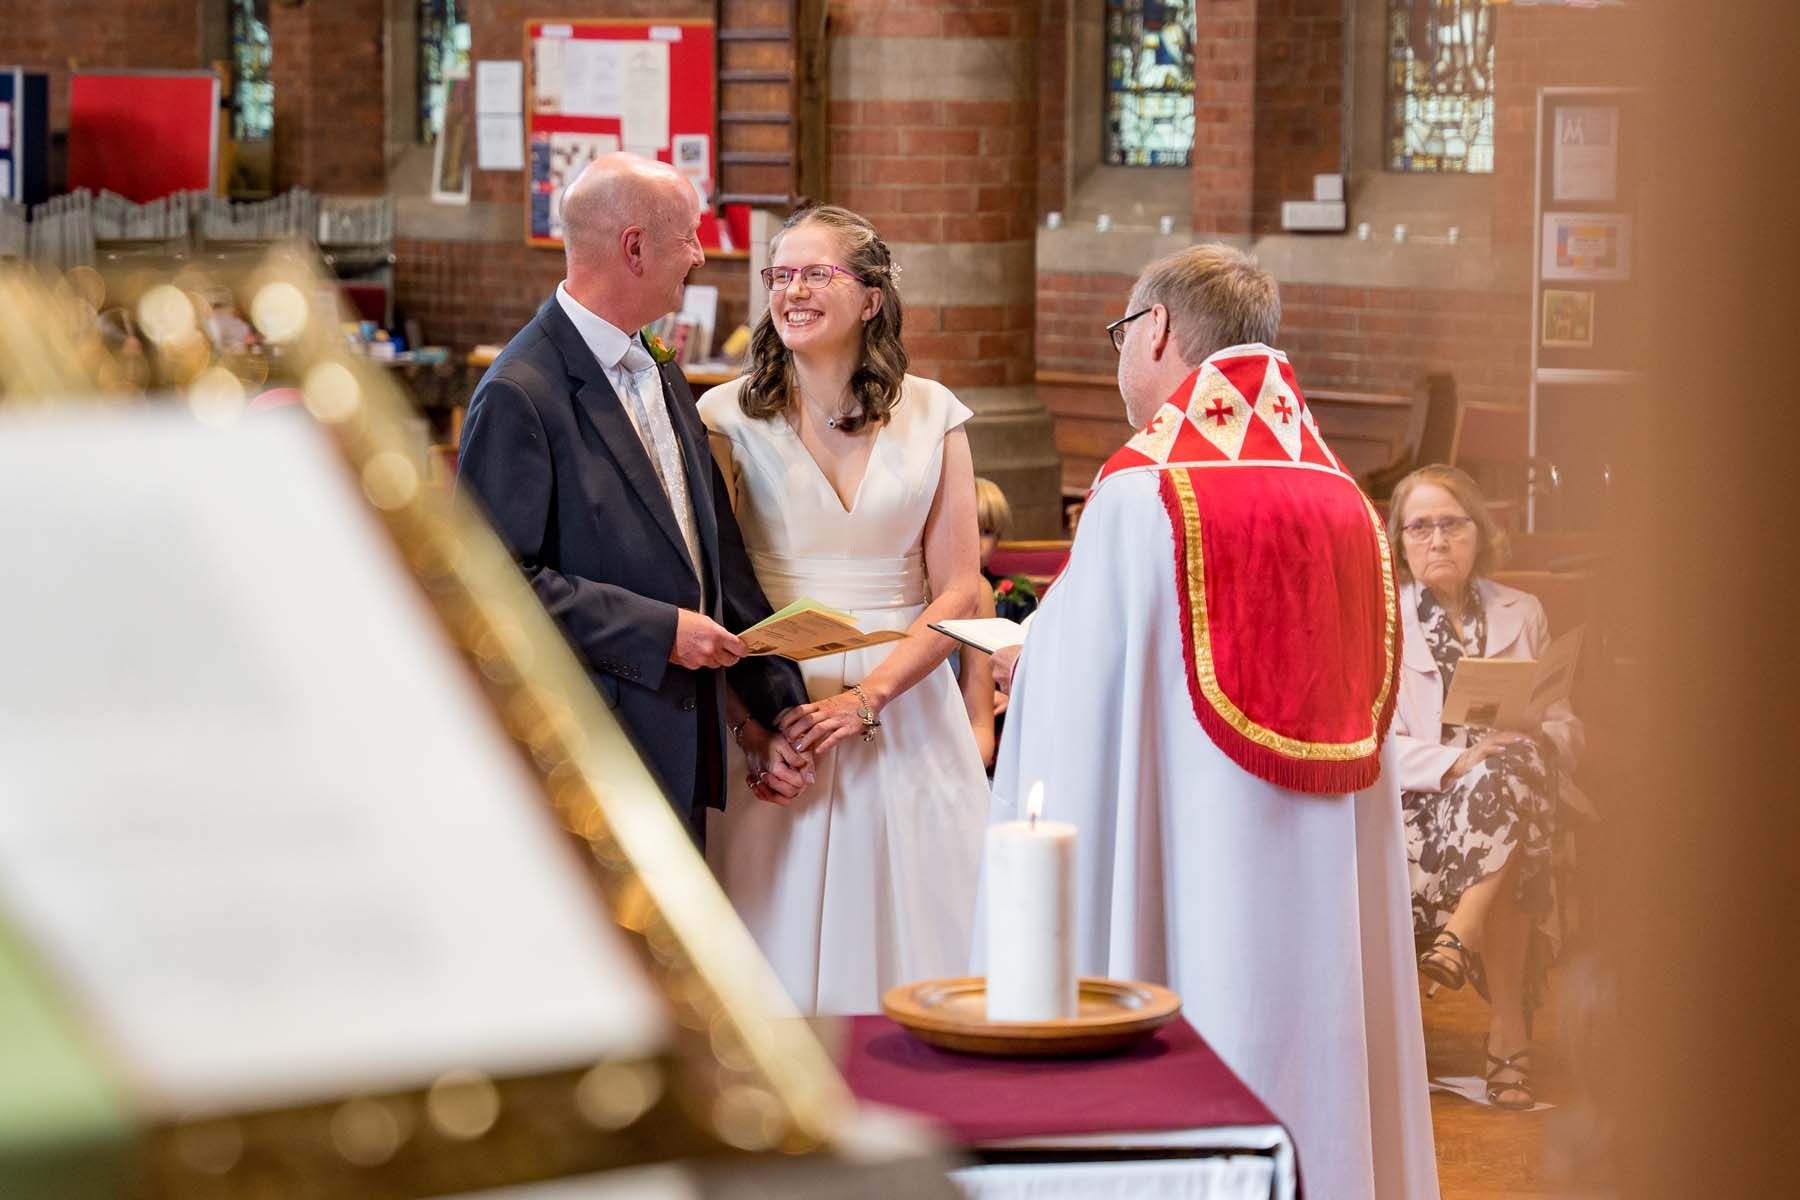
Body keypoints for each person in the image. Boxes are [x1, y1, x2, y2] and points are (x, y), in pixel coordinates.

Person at [988, 245, 1438, 1200]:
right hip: (1326, 878)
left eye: (1120, 336)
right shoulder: (1349, 502)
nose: (1119, 362)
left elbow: (1078, 712)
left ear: (1155, 330)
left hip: (1187, 861)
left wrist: (1023, 665)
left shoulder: (1145, 490)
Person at [456, 153, 811, 847]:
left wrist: (777, 707)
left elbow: (716, 558)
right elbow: (489, 590)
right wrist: (658, 632)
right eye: (688, 235)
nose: (701, 255)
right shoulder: (519, 392)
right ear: (635, 248)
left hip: (685, 744)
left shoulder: (657, 365)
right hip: (594, 749)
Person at [698, 204, 991, 1015]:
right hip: (776, 706)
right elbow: (713, 586)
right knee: (772, 936)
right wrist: (754, 728)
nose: (791, 290)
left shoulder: (935, 415)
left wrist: (872, 697)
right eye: (779, 274)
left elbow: (960, 589)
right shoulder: (724, 417)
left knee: (923, 929)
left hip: (905, 703)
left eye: (814, 272)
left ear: (870, 298)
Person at [1390, 464, 1585, 1111]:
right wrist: (1459, 760)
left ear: (1479, 532)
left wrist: (1539, 734)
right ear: (1400, 539)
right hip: (1420, 810)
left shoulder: (1521, 610)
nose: (1437, 540)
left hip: (1510, 793)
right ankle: (1508, 1041)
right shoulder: (1383, 621)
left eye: (1452, 524)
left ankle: (1458, 937)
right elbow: (1371, 743)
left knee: (1518, 761)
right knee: (1508, 791)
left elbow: (1564, 723)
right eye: (1421, 526)